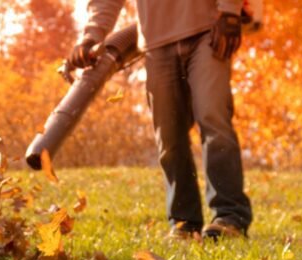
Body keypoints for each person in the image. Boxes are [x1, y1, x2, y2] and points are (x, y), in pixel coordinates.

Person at [69, 0, 253, 240]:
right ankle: (184, 223)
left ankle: (230, 217)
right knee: (168, 135)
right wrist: (91, 36)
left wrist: (229, 11)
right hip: (156, 41)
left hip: (208, 29)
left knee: (213, 116)